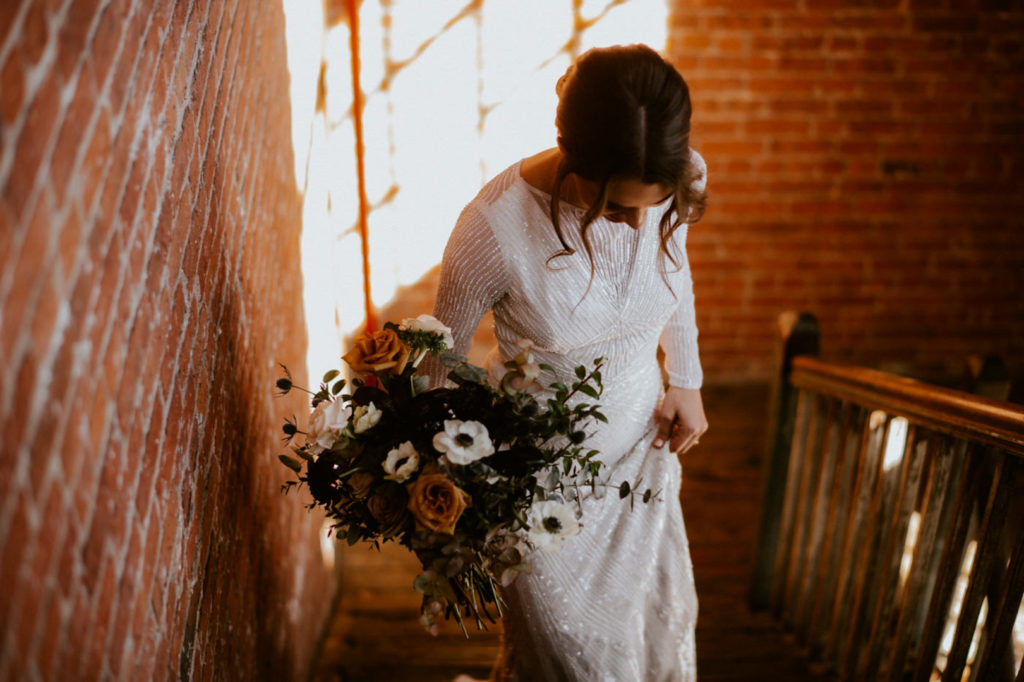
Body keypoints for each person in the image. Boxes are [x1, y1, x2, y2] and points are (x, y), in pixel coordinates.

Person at [432, 44, 708, 681]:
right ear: (573, 156)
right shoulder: (491, 231)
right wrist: (455, 488)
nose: (637, 224)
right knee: (572, 656)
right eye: (615, 207)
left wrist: (686, 378)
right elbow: (440, 366)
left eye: (651, 205)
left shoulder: (672, 174)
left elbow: (674, 273)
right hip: (536, 481)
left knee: (649, 624)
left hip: (643, 447)